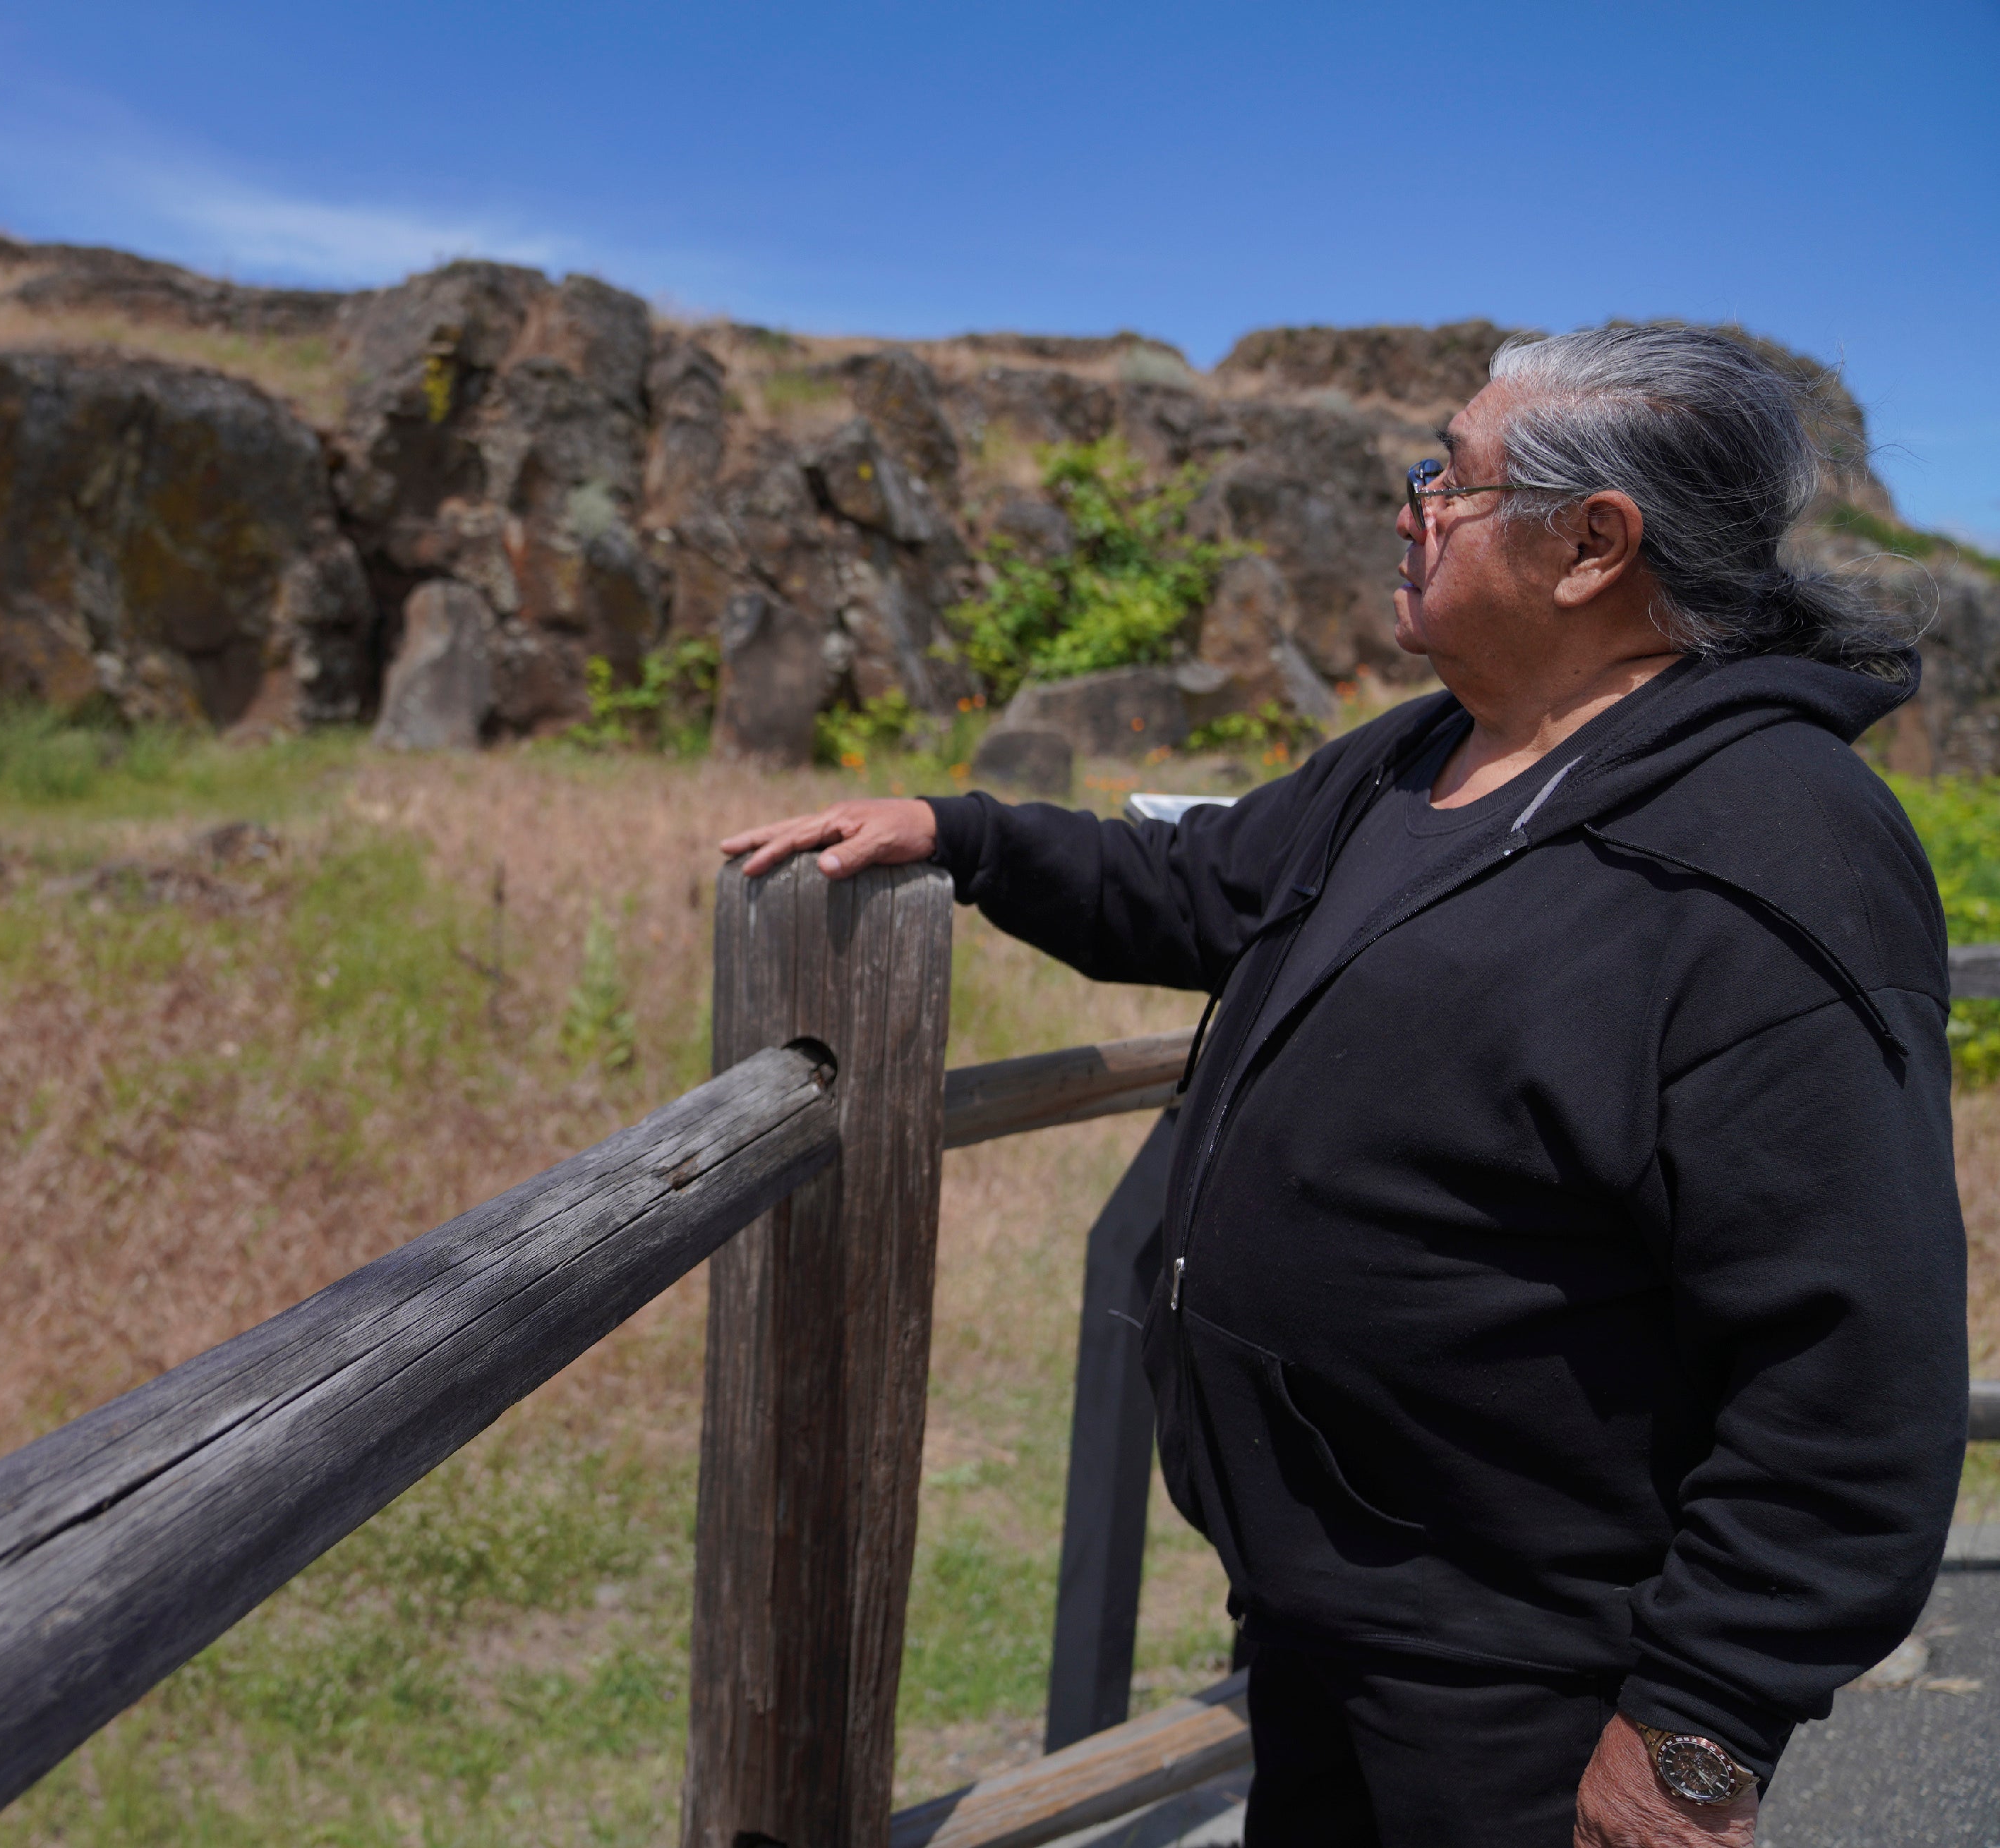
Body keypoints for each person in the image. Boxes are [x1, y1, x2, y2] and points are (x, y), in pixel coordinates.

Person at [721, 325, 1968, 1848]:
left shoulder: (1781, 846)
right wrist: (962, 834)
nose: (1412, 498)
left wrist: (1695, 1733)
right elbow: (1195, 885)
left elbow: (1856, 1357)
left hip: (1540, 1682)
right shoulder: (1432, 752)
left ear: (1593, 544)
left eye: (1451, 472)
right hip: (1327, 1610)